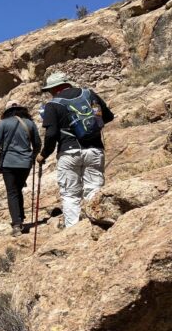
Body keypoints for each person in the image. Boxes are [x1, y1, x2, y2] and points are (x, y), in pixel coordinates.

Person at [36, 72, 115, 228]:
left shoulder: (53, 105)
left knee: (70, 194)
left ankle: (73, 230)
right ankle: (97, 224)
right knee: (94, 188)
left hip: (69, 152)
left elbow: (51, 134)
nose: (50, 93)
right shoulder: (89, 94)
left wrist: (43, 154)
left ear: (56, 88)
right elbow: (108, 117)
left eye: (50, 89)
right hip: (94, 149)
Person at [0, 100, 42, 236]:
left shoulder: (4, 123)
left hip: (9, 162)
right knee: (18, 189)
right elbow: (37, 143)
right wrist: (33, 155)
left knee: (12, 192)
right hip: (25, 163)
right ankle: (21, 217)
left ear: (7, 111)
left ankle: (17, 225)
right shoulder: (30, 123)